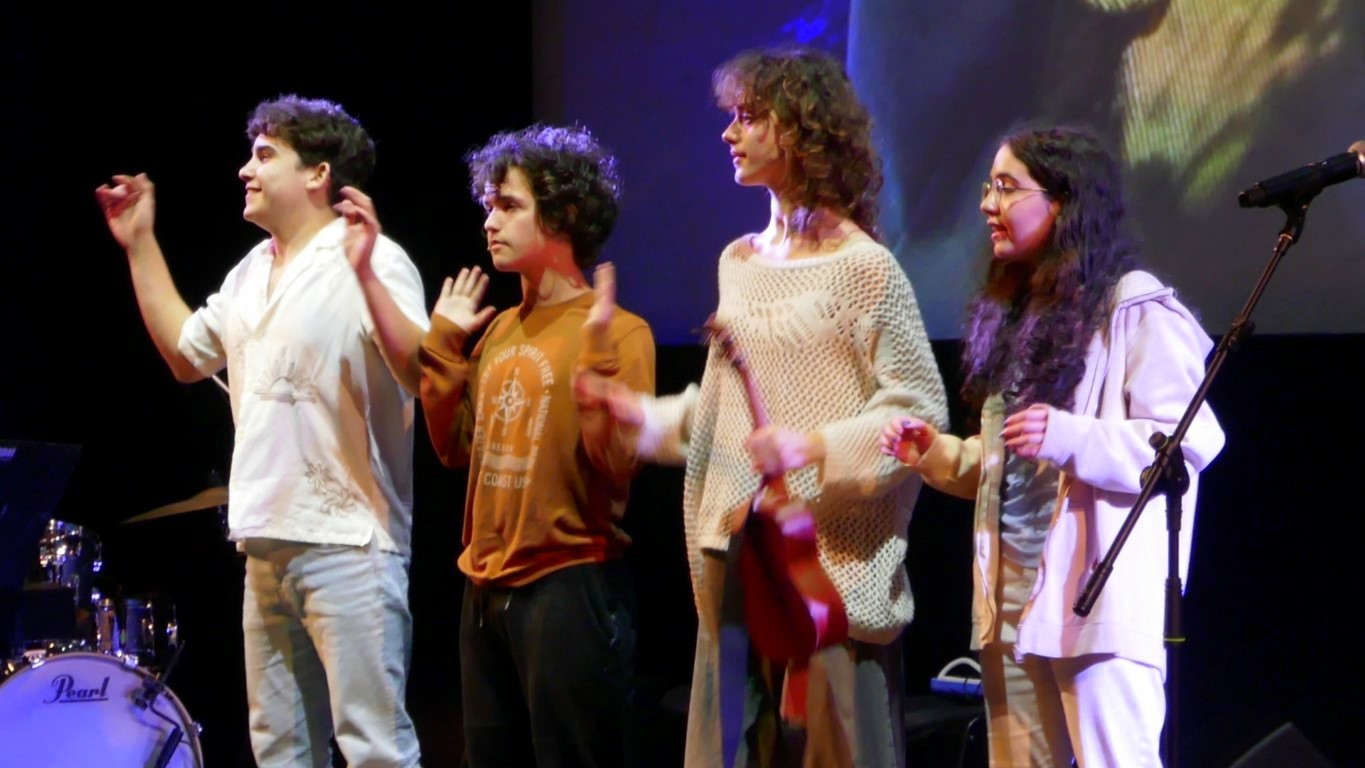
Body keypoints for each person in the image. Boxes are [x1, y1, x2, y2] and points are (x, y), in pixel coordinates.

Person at [574, 46, 949, 767]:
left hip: (827, 578)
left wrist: (814, 448)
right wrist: (640, 415)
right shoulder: (737, 262)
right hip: (736, 559)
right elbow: (723, 413)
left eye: (749, 117)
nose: (729, 132)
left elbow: (918, 416)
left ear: (802, 132)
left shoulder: (864, 267)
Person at [94, 94, 426, 768]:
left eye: (265, 155)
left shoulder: (374, 259)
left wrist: (365, 273)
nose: (245, 170)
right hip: (265, 543)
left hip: (349, 542)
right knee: (280, 751)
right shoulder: (249, 271)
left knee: (375, 749)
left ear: (318, 174)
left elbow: (423, 372)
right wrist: (140, 243)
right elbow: (187, 355)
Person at [880, 125, 1225, 767]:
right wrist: (939, 456)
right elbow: (1018, 468)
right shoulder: (1016, 314)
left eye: (1007, 187)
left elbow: (1188, 443)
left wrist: (1071, 437)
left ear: (1063, 202)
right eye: (989, 187)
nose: (988, 204)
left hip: (1093, 601)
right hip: (1011, 603)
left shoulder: (1133, 306)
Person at [411, 124, 656, 767]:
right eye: (488, 205)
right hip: (485, 587)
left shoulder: (620, 332)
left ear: (564, 214)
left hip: (568, 586)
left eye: (509, 205)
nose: (489, 221)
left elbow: (619, 465)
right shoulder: (498, 331)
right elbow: (455, 450)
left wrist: (598, 371)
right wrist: (443, 348)